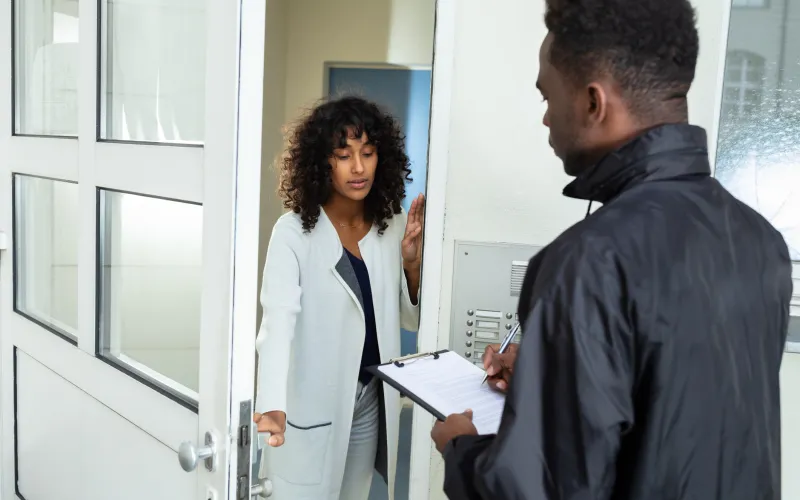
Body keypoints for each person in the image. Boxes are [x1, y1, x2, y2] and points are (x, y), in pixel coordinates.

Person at [430, 0, 794, 498]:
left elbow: (534, 490)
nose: (545, 121)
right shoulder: (761, 242)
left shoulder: (585, 263)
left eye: (546, 97)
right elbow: (685, 418)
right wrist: (552, 384)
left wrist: (460, 451)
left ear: (593, 103)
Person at [254, 96, 423, 500]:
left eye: (367, 153)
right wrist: (273, 402)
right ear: (322, 162)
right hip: (311, 405)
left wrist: (412, 265)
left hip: (369, 397)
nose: (359, 167)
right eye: (344, 155)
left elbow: (406, 318)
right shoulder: (294, 232)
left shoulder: (391, 223)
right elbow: (277, 324)